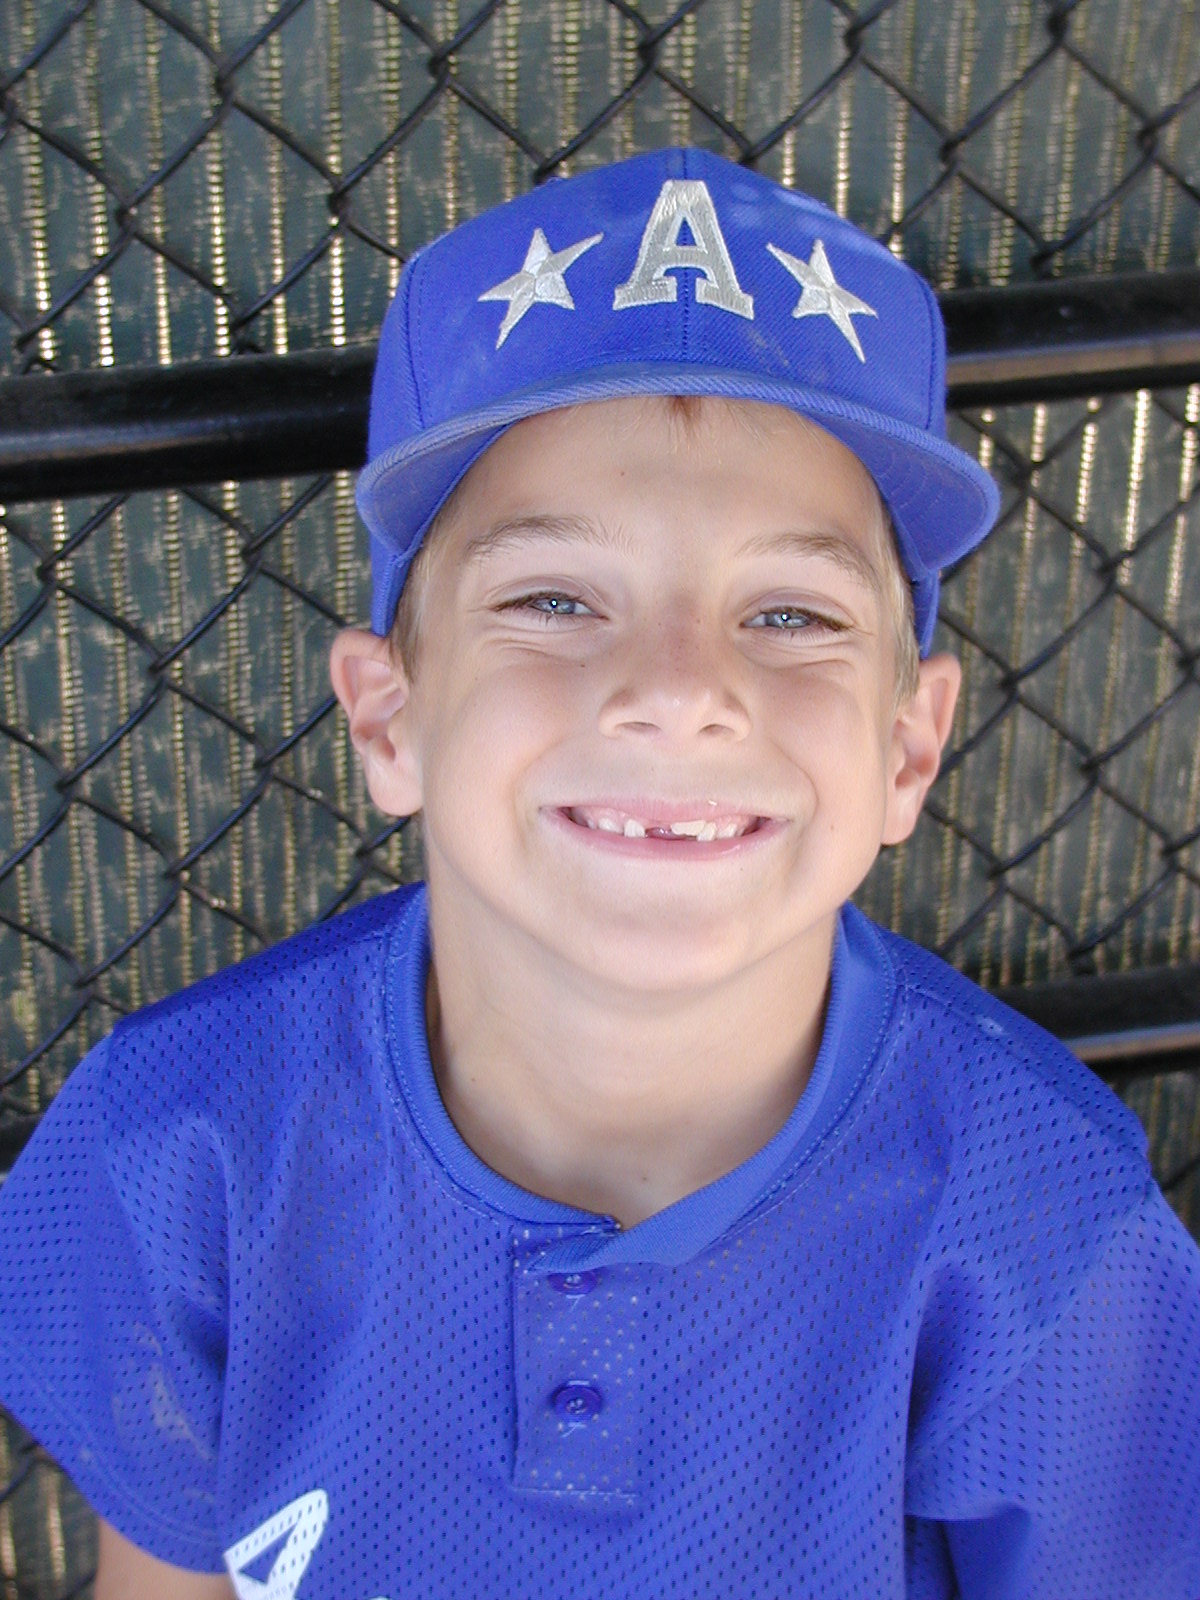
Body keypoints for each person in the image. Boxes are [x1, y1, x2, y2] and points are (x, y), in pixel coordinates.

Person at [0, 148, 1196, 1600]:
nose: (679, 692)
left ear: (908, 746)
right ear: (388, 720)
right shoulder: (179, 1140)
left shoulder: (1044, 1218)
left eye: (790, 612)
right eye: (556, 598)